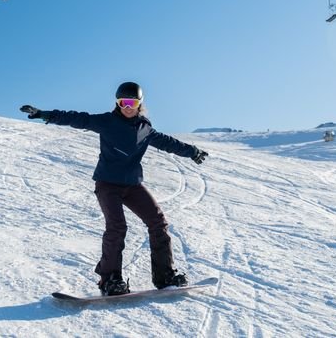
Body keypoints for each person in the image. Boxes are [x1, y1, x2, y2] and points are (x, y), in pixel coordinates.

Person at [20, 81, 208, 296]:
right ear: (117, 103)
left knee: (158, 222)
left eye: (132, 102)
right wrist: (44, 114)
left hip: (133, 185)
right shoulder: (107, 122)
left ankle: (164, 277)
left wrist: (191, 151)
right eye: (122, 102)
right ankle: (110, 280)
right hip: (108, 184)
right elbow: (78, 118)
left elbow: (167, 142)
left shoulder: (144, 128)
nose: (127, 106)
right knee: (117, 227)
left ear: (139, 103)